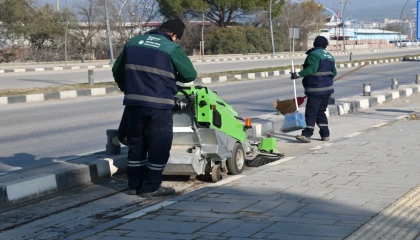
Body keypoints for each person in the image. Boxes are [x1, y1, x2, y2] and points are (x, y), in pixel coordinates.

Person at [112, 18, 197, 198]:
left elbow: (117, 69)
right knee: (158, 145)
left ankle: (134, 185)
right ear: (174, 35)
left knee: (137, 144)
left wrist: (126, 87)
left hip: (134, 104)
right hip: (159, 106)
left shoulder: (133, 42)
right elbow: (190, 74)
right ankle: (151, 188)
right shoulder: (171, 48)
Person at [290, 36, 337, 143]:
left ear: (315, 44)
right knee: (321, 112)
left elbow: (312, 69)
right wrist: (326, 81)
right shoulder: (330, 56)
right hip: (327, 90)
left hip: (316, 89)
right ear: (325, 45)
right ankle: (325, 134)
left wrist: (297, 74)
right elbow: (334, 73)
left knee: (311, 112)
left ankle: (307, 134)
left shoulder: (314, 55)